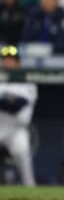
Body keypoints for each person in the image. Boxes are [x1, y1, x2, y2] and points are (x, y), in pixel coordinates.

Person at [0, 45, 37, 186]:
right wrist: (8, 99)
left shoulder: (26, 80)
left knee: (23, 155)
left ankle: (30, 188)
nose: (8, 63)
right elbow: (10, 102)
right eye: (5, 59)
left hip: (17, 129)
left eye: (12, 60)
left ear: (18, 63)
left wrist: (5, 100)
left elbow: (17, 105)